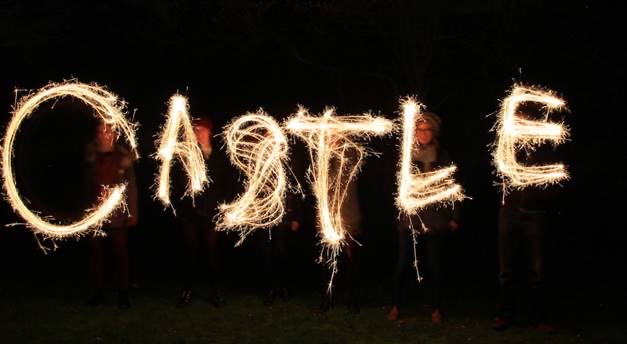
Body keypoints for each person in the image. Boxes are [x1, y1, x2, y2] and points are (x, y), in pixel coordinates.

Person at [387, 112, 460, 324]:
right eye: (419, 129)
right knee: (402, 264)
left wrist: (455, 216)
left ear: (433, 132)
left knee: (434, 265)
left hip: (435, 219)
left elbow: (452, 186)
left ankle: (435, 307)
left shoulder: (443, 155)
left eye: (427, 129)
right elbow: (398, 185)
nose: (423, 133)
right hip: (410, 217)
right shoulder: (407, 156)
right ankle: (396, 305)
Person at [492, 107, 560, 333]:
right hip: (509, 215)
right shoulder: (506, 148)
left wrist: (536, 195)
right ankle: (504, 315)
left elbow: (551, 181)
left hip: (534, 216)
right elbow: (498, 177)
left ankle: (540, 317)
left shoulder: (542, 148)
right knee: (506, 270)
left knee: (537, 270)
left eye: (522, 121)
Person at [174, 117, 226, 308]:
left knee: (213, 252)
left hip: (211, 212)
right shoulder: (188, 154)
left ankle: (216, 291)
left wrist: (221, 207)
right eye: (195, 130)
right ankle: (187, 290)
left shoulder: (219, 156)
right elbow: (180, 182)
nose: (198, 132)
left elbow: (223, 185)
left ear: (209, 132)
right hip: (191, 212)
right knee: (190, 252)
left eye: (201, 129)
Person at [86, 122, 138, 309]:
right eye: (100, 131)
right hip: (96, 216)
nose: (103, 134)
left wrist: (132, 212)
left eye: (107, 131)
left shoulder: (123, 158)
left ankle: (123, 294)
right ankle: (98, 292)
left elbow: (131, 186)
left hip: (118, 214)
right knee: (97, 255)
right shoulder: (91, 157)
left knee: (120, 254)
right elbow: (87, 186)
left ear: (115, 135)